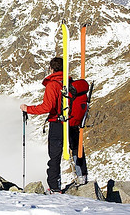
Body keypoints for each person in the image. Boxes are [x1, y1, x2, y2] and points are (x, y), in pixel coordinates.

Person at [20, 57, 87, 194]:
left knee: (55, 155)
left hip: (57, 123)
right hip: (72, 121)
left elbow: (47, 107)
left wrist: (28, 109)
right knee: (75, 148)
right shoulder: (69, 82)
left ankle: (54, 188)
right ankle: (82, 177)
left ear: (51, 69)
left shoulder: (53, 84)